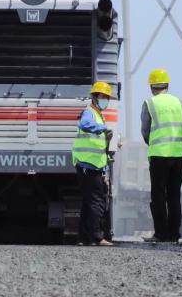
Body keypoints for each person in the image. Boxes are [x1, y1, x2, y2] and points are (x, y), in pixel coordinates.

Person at [141, 69, 182, 243]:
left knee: (158, 195)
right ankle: (174, 234)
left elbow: (145, 131)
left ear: (152, 86)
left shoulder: (150, 103)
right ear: (167, 85)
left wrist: (153, 143)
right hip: (179, 155)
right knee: (174, 195)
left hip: (159, 155)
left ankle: (161, 234)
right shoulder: (180, 103)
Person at [72, 82, 114, 246]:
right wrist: (103, 128)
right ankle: (98, 237)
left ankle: (83, 237)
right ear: (95, 97)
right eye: (103, 97)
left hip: (91, 165)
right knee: (97, 201)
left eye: (107, 98)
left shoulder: (98, 114)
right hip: (88, 165)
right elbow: (84, 124)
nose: (106, 100)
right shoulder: (89, 113)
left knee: (88, 202)